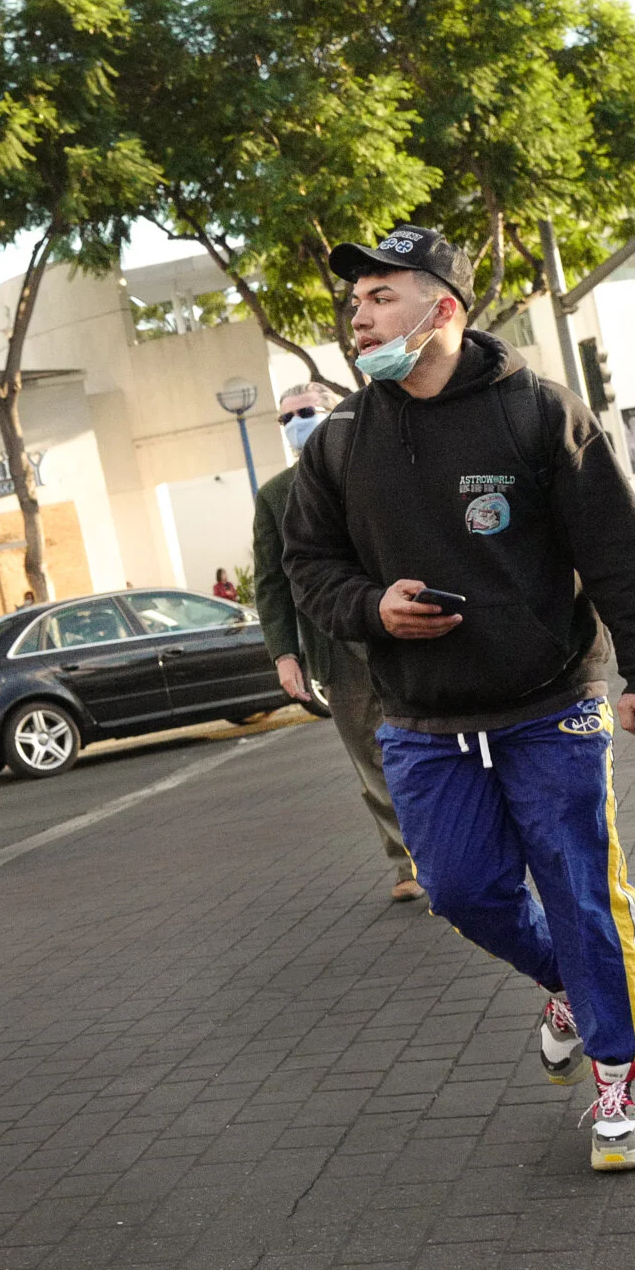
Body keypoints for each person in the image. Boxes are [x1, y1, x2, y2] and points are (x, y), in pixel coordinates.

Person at [284, 224, 635, 1174]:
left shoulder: (538, 413)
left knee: (583, 890)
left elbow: (618, 551)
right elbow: (310, 569)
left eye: (382, 295)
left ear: (444, 307)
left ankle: (623, 1086)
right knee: (461, 890)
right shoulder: (342, 442)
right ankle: (569, 988)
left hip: (552, 704)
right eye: (356, 301)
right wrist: (372, 607)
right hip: (423, 721)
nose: (360, 315)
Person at [249, 380, 422, 903]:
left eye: (305, 411)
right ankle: (406, 864)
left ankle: (457, 850)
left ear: (333, 412)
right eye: (285, 418)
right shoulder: (276, 494)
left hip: (406, 631)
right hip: (335, 650)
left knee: (430, 740)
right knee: (371, 758)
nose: (295, 423)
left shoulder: (379, 463)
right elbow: (271, 583)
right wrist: (284, 654)